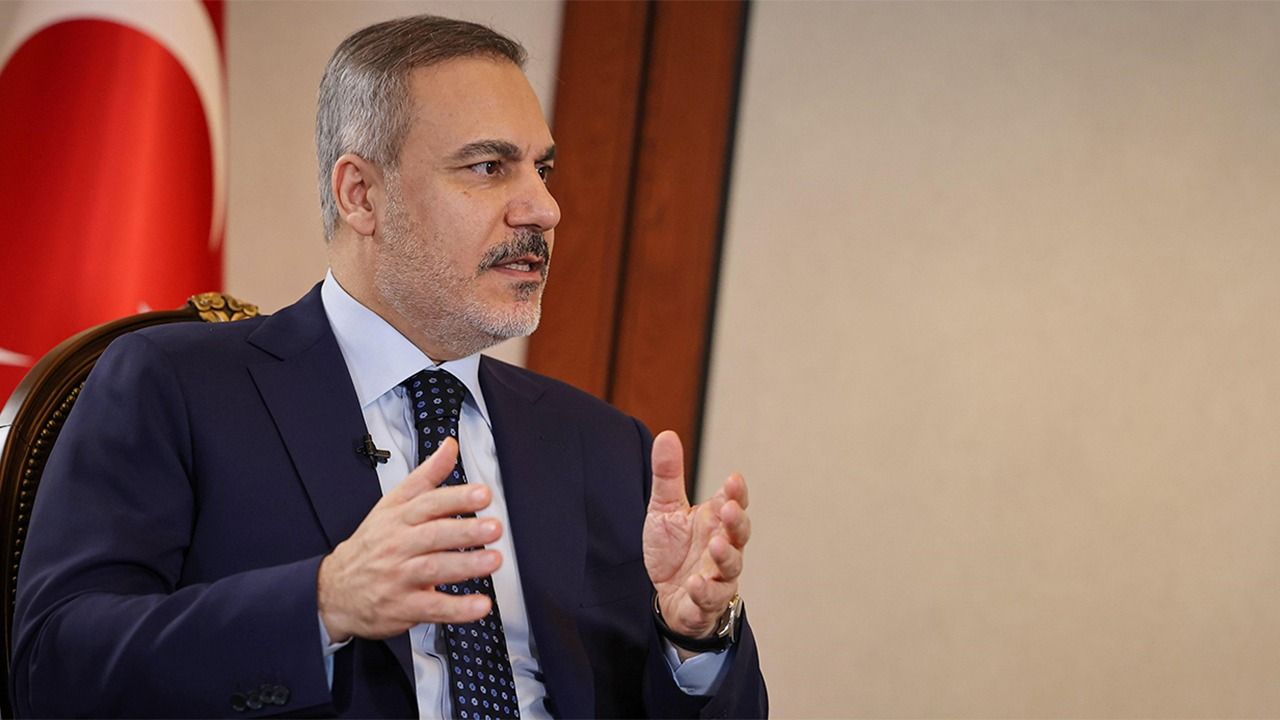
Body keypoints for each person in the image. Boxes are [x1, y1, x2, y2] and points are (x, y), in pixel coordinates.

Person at [10, 14, 766, 719]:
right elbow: (53, 669)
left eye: (542, 169)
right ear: (361, 195)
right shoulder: (177, 386)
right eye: (489, 167)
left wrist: (692, 640)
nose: (544, 209)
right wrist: (322, 602)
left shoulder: (602, 444)